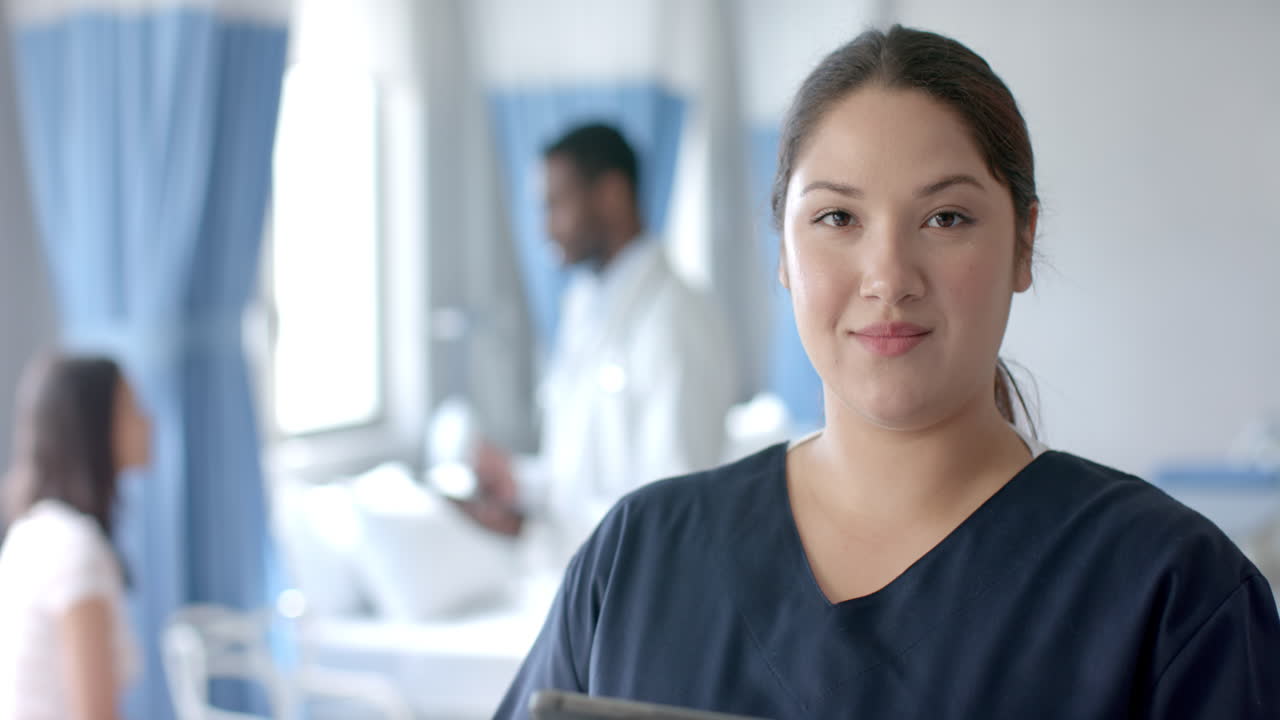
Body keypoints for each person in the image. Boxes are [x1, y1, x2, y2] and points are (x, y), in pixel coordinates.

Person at [495, 26, 1280, 718]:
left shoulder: (1172, 592)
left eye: (946, 218)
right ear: (783, 253)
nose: (888, 276)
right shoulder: (636, 561)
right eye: (837, 218)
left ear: (1021, 244)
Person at [460, 123, 738, 567]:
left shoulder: (677, 318)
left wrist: (536, 531)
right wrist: (520, 485)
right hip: (579, 580)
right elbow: (581, 475)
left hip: (635, 593)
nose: (545, 229)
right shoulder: (584, 309)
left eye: (556, 205)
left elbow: (673, 505)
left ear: (610, 194)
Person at [0, 354, 149, 720]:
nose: (148, 422)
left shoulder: (36, 530)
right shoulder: (75, 550)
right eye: (131, 409)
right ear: (95, 428)